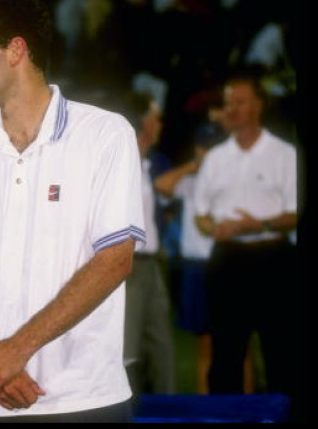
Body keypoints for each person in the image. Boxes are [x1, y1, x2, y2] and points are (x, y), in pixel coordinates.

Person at [0, 0, 145, 422]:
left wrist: (15, 351)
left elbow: (116, 259)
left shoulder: (105, 134)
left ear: (16, 50)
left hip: (85, 397)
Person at [193, 72, 298, 400]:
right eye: (228, 103)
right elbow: (200, 214)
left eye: (240, 102)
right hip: (228, 261)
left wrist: (259, 226)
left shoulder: (284, 155)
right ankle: (223, 417)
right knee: (226, 352)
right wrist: (215, 229)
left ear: (259, 106)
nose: (232, 109)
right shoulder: (215, 159)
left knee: (281, 350)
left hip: (272, 258)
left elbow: (294, 214)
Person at [153, 122, 251, 395]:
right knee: (205, 344)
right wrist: (193, 166)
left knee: (240, 345)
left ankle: (250, 408)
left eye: (213, 148)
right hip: (197, 270)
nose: (207, 152)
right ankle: (207, 407)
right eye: (203, 147)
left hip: (232, 264)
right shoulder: (191, 181)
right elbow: (162, 185)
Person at [107, 91, 177, 401]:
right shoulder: (118, 165)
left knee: (161, 342)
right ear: (144, 124)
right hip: (129, 265)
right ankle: (125, 408)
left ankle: (167, 408)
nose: (160, 125)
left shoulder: (152, 164)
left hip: (152, 264)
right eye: (156, 118)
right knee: (128, 346)